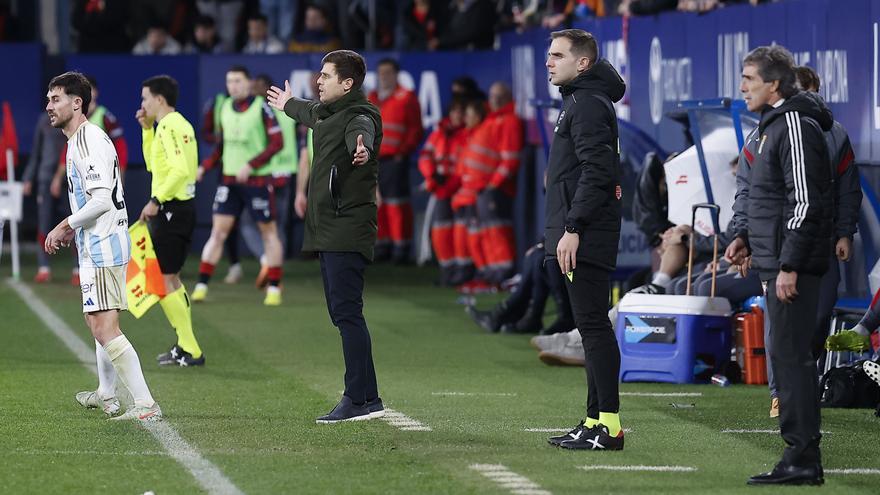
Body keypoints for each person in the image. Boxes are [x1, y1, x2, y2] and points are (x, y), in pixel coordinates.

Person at [726, 45, 832, 486]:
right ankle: (799, 455)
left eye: (749, 78)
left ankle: (802, 457)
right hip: (776, 262)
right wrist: (747, 238)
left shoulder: (792, 124)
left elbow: (805, 201)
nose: (742, 86)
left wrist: (788, 264)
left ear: (774, 85)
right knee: (785, 357)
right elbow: (770, 199)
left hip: (793, 268)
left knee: (792, 359)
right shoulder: (772, 125)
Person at [267, 49, 385, 423]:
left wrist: (362, 149)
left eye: (326, 75)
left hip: (345, 229)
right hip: (331, 229)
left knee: (348, 315)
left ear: (347, 84)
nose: (318, 80)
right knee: (345, 314)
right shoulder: (327, 113)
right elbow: (308, 112)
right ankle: (369, 398)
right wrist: (287, 103)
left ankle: (356, 398)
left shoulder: (358, 115)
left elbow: (359, 133)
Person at [43, 71, 161, 421]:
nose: (49, 106)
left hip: (104, 243)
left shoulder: (89, 140)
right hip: (95, 242)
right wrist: (74, 229)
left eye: (56, 99)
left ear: (77, 103)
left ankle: (145, 404)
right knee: (96, 321)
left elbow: (101, 201)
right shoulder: (77, 140)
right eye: (49, 99)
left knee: (104, 327)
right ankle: (107, 394)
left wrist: (65, 224)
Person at [543, 29, 626, 451]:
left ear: (584, 63)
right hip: (581, 228)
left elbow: (598, 171)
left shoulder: (588, 104)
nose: (549, 62)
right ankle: (595, 420)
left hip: (587, 232)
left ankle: (608, 426)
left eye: (558, 55)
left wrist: (572, 227)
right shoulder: (581, 100)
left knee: (593, 326)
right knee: (589, 325)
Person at [193, 65, 285, 305]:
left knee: (268, 233)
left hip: (257, 181)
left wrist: (252, 165)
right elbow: (222, 146)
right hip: (229, 180)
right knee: (218, 232)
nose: (233, 85)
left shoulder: (261, 107)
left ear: (249, 83)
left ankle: (274, 288)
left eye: (237, 81)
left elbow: (278, 142)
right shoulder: (223, 107)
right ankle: (201, 285)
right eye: (229, 81)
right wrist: (205, 166)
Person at [136, 75, 205, 367]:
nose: (142, 104)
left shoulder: (172, 126)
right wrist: (146, 131)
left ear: (159, 100)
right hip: (175, 207)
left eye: (145, 98)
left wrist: (156, 201)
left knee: (164, 280)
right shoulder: (170, 125)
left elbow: (178, 171)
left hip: (172, 209)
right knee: (170, 278)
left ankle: (191, 348)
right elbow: (155, 166)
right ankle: (185, 346)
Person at [368, 58, 424, 263]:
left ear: (396, 74)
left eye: (388, 72)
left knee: (396, 203)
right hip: (374, 159)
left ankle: (401, 248)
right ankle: (383, 244)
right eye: (381, 72)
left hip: (395, 159)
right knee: (377, 203)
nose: (384, 76)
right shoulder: (372, 98)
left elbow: (416, 129)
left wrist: (403, 152)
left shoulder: (407, 97)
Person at [418, 98, 466, 283]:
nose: (457, 115)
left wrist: (451, 182)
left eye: (461, 111)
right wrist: (432, 175)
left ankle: (462, 271)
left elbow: (466, 163)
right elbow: (425, 156)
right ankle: (447, 270)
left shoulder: (467, 134)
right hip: (440, 188)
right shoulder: (439, 133)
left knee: (460, 231)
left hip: (460, 189)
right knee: (440, 229)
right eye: (454, 111)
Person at [22, 112, 74, 283]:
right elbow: (36, 151)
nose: (52, 103)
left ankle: (78, 269)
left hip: (70, 180)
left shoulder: (72, 118)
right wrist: (28, 178)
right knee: (43, 223)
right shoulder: (44, 120)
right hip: (45, 179)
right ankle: (44, 267)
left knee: (75, 224)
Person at [85, 76, 128, 177]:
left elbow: (120, 147)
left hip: (102, 175)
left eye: (89, 90)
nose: (85, 94)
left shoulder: (105, 117)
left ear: (96, 92)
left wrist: (120, 175)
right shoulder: (74, 119)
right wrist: (58, 177)